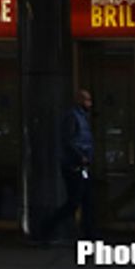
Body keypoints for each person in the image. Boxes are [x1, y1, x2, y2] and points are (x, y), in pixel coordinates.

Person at [41, 88, 96, 242]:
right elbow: (69, 140)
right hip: (74, 166)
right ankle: (46, 228)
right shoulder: (73, 117)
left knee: (86, 200)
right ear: (79, 100)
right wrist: (81, 157)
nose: (89, 103)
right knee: (74, 201)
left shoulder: (81, 117)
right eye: (86, 100)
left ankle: (89, 234)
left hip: (81, 165)